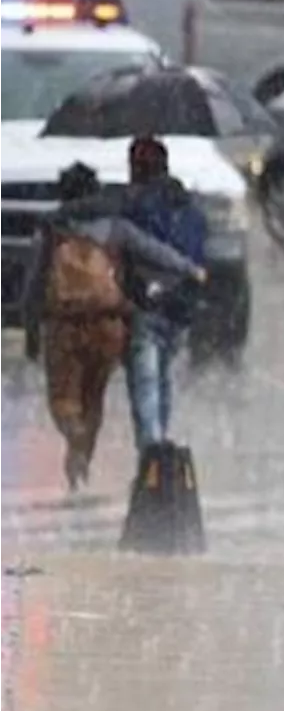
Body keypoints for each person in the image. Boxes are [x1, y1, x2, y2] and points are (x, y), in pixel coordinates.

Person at [40, 163, 207, 489]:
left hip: (64, 326)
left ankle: (74, 437)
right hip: (109, 325)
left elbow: (36, 280)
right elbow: (153, 251)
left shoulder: (53, 227)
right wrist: (190, 269)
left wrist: (29, 322)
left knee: (64, 395)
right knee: (94, 395)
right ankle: (93, 456)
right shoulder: (117, 226)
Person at [120, 136, 208, 451]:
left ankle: (151, 454)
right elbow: (199, 255)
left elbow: (132, 250)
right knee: (163, 378)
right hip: (181, 307)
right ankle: (161, 448)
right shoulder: (191, 209)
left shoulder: (133, 209)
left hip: (147, 304)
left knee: (145, 384)